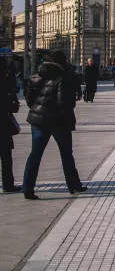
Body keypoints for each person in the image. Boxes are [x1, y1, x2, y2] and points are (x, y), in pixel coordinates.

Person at [22, 51, 86, 200]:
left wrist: (38, 110)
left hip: (38, 121)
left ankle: (27, 188)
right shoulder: (61, 78)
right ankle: (74, 185)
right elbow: (62, 103)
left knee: (35, 154)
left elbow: (29, 98)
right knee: (66, 154)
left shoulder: (35, 76)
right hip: (59, 122)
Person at [1, 58, 21, 193]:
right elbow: (12, 105)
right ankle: (8, 184)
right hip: (2, 123)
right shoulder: (5, 81)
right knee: (6, 156)